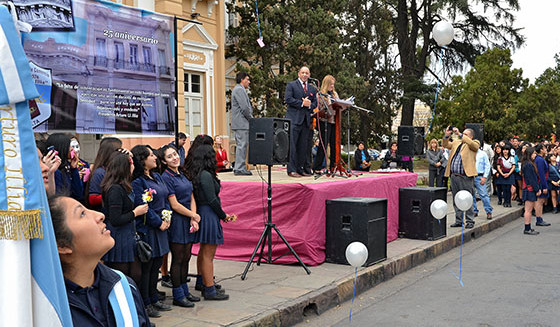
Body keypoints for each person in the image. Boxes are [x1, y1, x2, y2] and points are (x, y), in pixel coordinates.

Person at [48, 195, 151, 326]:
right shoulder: (50, 310)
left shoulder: (123, 286)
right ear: (62, 246)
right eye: (82, 214)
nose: (100, 215)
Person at [184, 139, 233, 300]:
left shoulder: (196, 173)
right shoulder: (205, 175)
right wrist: (223, 215)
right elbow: (212, 199)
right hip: (209, 214)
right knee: (208, 254)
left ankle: (203, 281)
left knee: (203, 252)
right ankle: (209, 288)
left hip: (204, 212)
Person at [131, 145, 173, 317]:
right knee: (147, 266)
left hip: (162, 226)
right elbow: (143, 206)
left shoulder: (157, 177)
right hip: (148, 228)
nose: (155, 157)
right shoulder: (138, 182)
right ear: (142, 160)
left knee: (157, 264)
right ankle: (146, 302)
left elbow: (166, 198)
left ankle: (154, 297)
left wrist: (167, 216)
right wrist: (158, 222)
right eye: (150, 155)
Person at [160, 145, 201, 307]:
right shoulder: (166, 177)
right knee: (177, 259)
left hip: (189, 220)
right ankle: (178, 295)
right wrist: (192, 215)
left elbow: (191, 196)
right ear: (164, 161)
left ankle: (185, 290)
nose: (174, 158)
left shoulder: (182, 173)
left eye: (175, 154)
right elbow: (174, 204)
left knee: (186, 257)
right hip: (177, 221)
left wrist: (193, 218)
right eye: (169, 157)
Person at [100, 151, 149, 286]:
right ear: (124, 168)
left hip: (128, 235)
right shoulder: (115, 189)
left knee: (135, 274)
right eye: (130, 164)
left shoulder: (125, 185)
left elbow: (139, 171)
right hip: (119, 236)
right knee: (123, 276)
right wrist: (135, 213)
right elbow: (115, 219)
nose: (133, 166)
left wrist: (132, 155)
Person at [443, 127, 480, 229]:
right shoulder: (457, 142)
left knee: (467, 199)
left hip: (466, 177)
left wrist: (460, 134)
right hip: (454, 176)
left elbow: (474, 146)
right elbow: (446, 145)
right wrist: (447, 135)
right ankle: (458, 220)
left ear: (471, 137)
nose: (462, 136)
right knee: (456, 199)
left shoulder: (474, 143)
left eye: (465, 134)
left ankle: (470, 220)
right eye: (462, 134)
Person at [285, 66, 317, 177]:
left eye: (307, 73)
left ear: (309, 75)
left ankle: (300, 168)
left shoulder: (312, 88)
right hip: (294, 120)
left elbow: (315, 104)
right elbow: (288, 99)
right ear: (299, 74)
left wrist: (309, 105)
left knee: (303, 146)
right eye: (303, 72)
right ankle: (292, 169)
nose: (304, 75)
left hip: (306, 120)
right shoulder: (291, 85)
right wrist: (302, 103)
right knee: (292, 146)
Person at [46, 133, 84, 202]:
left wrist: (74, 169)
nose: (72, 149)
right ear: (62, 148)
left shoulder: (66, 167)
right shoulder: (54, 171)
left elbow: (78, 194)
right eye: (69, 146)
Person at [88, 137, 123, 211]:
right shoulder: (100, 173)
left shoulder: (115, 170)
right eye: (119, 151)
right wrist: (114, 195)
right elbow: (92, 199)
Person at [313, 75, 338, 174]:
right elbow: (320, 107)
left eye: (333, 84)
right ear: (326, 84)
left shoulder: (335, 94)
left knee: (333, 144)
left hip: (334, 121)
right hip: (324, 121)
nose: (332, 86)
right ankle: (317, 167)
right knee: (323, 144)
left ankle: (333, 166)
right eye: (330, 84)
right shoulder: (320, 95)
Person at [231, 72, 253, 176]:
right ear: (242, 80)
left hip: (241, 123)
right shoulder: (239, 90)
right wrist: (251, 119)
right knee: (242, 145)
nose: (249, 82)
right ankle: (239, 168)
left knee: (242, 145)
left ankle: (240, 167)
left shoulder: (239, 89)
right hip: (241, 123)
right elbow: (244, 108)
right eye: (247, 79)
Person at [521, 147, 541, 235]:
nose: (535, 155)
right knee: (528, 210)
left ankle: (528, 227)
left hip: (528, 188)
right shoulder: (528, 165)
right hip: (530, 189)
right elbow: (532, 179)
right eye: (534, 153)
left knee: (528, 209)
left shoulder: (526, 164)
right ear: (530, 154)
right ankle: (527, 228)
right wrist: (537, 189)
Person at [472, 149, 493, 220]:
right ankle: (474, 210)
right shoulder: (469, 152)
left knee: (484, 195)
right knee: (471, 195)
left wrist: (484, 177)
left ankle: (488, 211)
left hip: (479, 176)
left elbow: (487, 165)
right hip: (470, 176)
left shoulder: (482, 154)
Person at [534, 143, 551, 226]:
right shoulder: (540, 159)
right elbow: (541, 173)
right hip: (541, 182)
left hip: (542, 181)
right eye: (544, 148)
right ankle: (539, 219)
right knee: (539, 201)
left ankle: (540, 218)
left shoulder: (540, 159)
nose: (546, 150)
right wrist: (544, 186)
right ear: (541, 150)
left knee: (540, 201)